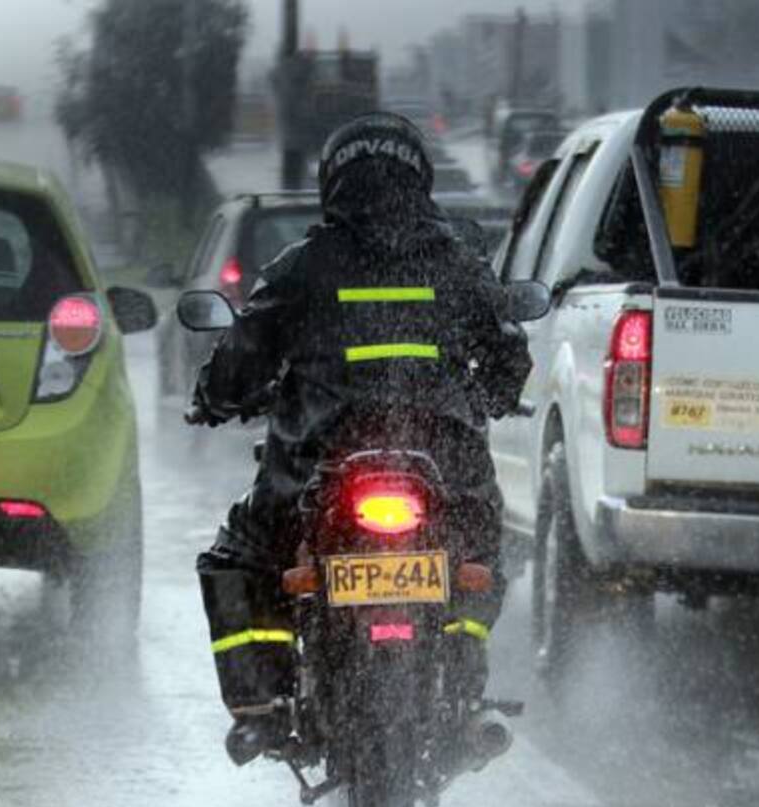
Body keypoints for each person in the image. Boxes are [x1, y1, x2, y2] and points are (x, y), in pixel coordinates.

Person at [190, 112, 532, 765]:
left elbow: (242, 358)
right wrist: (494, 394)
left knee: (239, 559)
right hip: (447, 464)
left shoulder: (302, 267)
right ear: (419, 178)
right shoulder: (460, 264)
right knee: (481, 558)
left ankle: (262, 706)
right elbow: (507, 355)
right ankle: (464, 687)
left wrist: (214, 398)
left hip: (314, 463)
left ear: (333, 182)